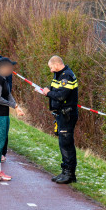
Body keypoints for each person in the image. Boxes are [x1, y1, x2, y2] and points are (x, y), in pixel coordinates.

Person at [0, 56, 25, 182]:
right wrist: (13, 105)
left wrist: (16, 107)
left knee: (0, 144)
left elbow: (8, 94)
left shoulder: (3, 79)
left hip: (3, 115)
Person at [40, 55, 79, 184]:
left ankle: (70, 174)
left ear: (56, 64)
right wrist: (47, 90)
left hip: (67, 114)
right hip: (61, 114)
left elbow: (61, 96)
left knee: (67, 143)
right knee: (63, 143)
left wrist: (48, 93)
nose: (51, 70)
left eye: (51, 67)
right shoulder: (59, 75)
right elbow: (55, 90)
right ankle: (65, 171)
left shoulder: (66, 76)